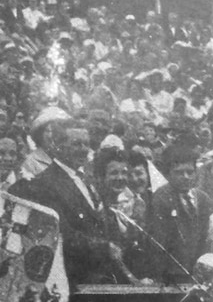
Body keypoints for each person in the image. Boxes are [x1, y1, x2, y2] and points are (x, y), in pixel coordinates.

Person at [9, 119, 136, 286]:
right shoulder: (46, 183)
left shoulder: (85, 179)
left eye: (86, 144)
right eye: (76, 144)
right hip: (72, 281)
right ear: (57, 145)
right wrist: (104, 248)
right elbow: (61, 234)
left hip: (99, 277)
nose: (83, 150)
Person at [150, 145, 213, 283]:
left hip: (197, 273)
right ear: (168, 174)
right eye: (179, 172)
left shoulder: (203, 199)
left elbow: (205, 238)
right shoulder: (161, 198)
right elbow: (159, 243)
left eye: (190, 172)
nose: (186, 177)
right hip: (171, 277)